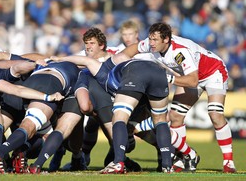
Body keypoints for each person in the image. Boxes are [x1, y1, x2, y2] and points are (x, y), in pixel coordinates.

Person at [118, 22, 235, 173]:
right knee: (175, 116)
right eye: (150, 39)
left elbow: (192, 81)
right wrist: (119, 61)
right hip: (189, 75)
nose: (151, 43)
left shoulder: (179, 52)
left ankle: (228, 161)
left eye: (155, 40)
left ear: (166, 40)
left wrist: (168, 78)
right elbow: (132, 49)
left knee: (215, 113)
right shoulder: (152, 43)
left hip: (213, 72)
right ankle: (184, 156)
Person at [51, 53, 173, 173]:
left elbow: (87, 60)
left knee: (119, 118)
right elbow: (165, 119)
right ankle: (167, 165)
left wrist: (59, 58)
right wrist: (139, 126)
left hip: (136, 69)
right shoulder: (135, 81)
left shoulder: (104, 74)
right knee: (160, 120)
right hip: (159, 73)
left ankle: (118, 162)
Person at [0, 59, 80, 174]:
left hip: (31, 81)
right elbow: (84, 104)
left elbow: (7, 58)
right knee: (33, 125)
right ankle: (0, 153)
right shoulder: (81, 73)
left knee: (44, 133)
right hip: (51, 82)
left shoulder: (50, 60)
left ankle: (20, 152)